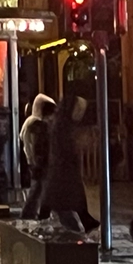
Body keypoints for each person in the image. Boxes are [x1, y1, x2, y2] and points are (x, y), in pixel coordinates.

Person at [42, 95, 98, 234]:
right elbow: (64, 148)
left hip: (63, 169)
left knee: (65, 200)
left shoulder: (62, 123)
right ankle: (77, 228)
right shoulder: (62, 126)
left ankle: (82, 222)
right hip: (63, 169)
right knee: (64, 201)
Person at [17, 94, 56, 219]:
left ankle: (32, 214)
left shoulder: (29, 122)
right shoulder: (39, 125)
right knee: (41, 190)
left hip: (33, 162)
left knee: (38, 190)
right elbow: (39, 147)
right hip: (39, 163)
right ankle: (33, 215)